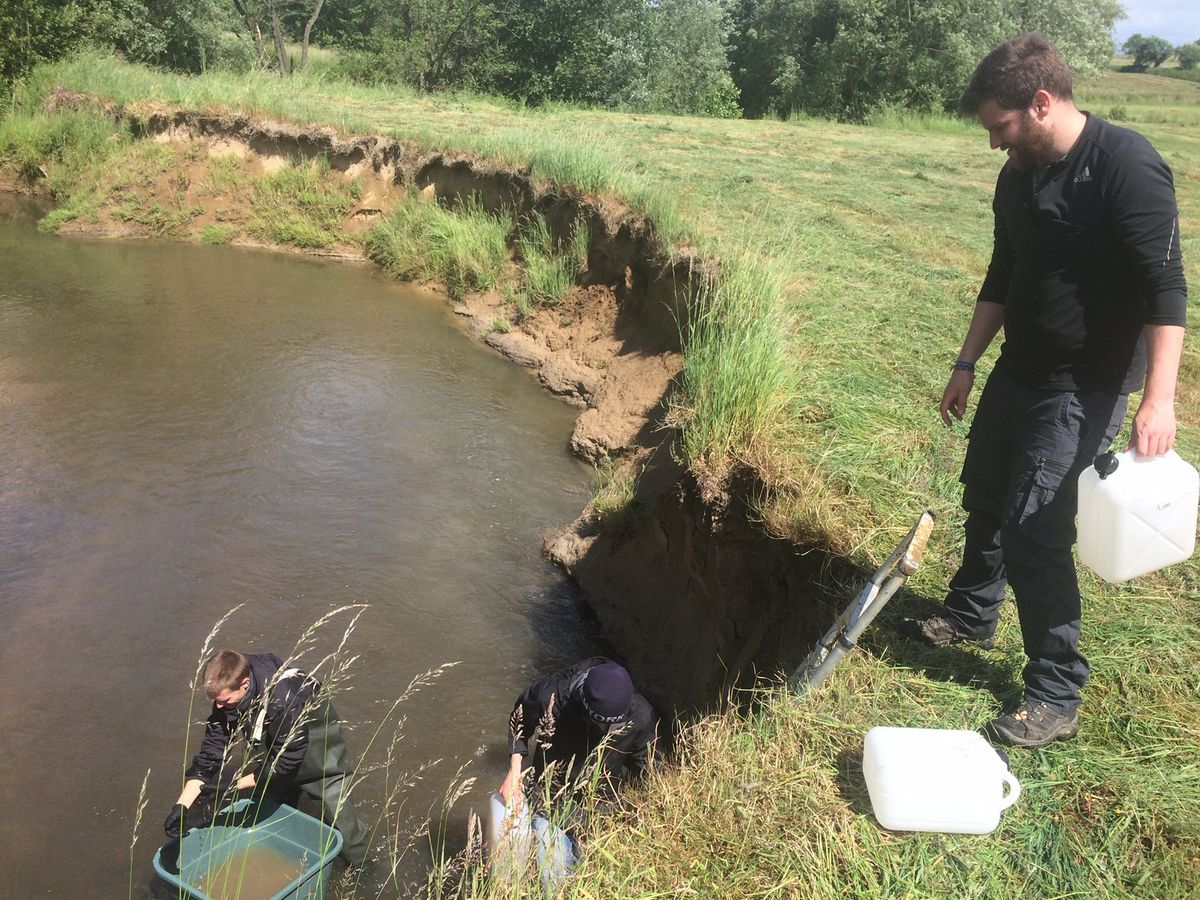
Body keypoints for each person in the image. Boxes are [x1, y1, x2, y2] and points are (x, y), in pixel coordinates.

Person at [909, 34, 1188, 748]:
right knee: (986, 495)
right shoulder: (1019, 177)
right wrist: (967, 361)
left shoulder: (1127, 166)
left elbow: (1167, 291)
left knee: (1036, 529)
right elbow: (1003, 273)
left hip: (1083, 388)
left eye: (1000, 127)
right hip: (1018, 369)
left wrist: (1161, 398)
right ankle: (972, 614)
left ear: (1041, 103)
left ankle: (1054, 692)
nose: (994, 143)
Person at [163, 650, 372, 866]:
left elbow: (286, 762)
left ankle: (364, 869)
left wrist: (231, 786)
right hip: (277, 745)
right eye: (216, 701)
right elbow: (211, 752)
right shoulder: (227, 688)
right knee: (270, 811)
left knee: (343, 825)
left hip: (317, 749)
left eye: (224, 702)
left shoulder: (283, 698)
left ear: (244, 683)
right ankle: (284, 857)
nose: (219, 708)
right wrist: (182, 805)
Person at [499, 657, 658, 807]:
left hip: (602, 801)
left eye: (614, 726)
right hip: (550, 788)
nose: (605, 731)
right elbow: (520, 719)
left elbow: (647, 766)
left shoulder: (641, 717)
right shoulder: (549, 697)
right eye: (599, 722)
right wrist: (514, 770)